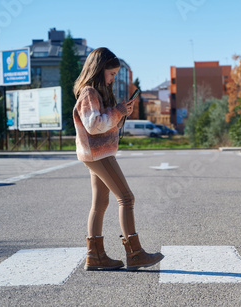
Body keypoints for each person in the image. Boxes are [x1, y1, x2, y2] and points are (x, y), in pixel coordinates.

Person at [73, 47, 164, 271]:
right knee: (126, 197)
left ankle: (95, 256)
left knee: (100, 203)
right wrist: (117, 111)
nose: (113, 79)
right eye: (111, 74)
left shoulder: (96, 93)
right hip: (98, 153)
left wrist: (121, 113)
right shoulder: (89, 93)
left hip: (97, 153)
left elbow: (106, 123)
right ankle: (134, 253)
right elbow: (94, 126)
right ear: (98, 69)